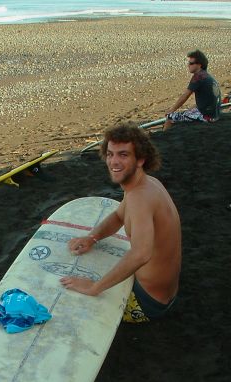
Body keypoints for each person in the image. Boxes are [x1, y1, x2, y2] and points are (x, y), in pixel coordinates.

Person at [60, 123, 182, 323]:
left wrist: (94, 287)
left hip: (146, 304)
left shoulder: (140, 198)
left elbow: (141, 254)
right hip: (163, 293)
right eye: (110, 154)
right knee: (97, 260)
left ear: (141, 159)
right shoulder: (147, 184)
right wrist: (92, 237)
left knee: (67, 295)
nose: (113, 162)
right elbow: (118, 216)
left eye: (123, 155)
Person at [163, 49, 221, 131]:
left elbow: (185, 96)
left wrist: (171, 110)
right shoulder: (206, 76)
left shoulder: (198, 77)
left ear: (199, 65)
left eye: (191, 63)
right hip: (215, 115)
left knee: (170, 117)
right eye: (188, 63)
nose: (188, 65)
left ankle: (164, 137)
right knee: (191, 108)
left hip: (206, 117)